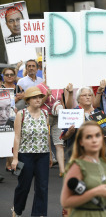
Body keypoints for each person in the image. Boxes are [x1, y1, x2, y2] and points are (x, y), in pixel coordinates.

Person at [60, 121, 106, 217]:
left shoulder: (105, 164)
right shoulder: (77, 166)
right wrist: (94, 192)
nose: (94, 140)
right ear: (81, 142)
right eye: (89, 137)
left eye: (97, 135)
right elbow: (66, 202)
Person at [11, 86, 52, 217]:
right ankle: (17, 209)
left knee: (42, 187)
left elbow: (47, 136)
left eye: (40, 97)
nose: (38, 99)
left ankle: (39, 213)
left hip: (43, 155)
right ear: (28, 100)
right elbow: (17, 137)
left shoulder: (45, 113)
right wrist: (15, 158)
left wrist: (50, 155)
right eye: (34, 97)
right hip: (25, 155)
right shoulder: (21, 114)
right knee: (24, 186)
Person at [37, 68, 66, 177]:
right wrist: (46, 96)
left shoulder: (59, 87)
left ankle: (62, 170)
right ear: (44, 72)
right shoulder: (39, 87)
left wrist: (63, 111)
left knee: (59, 143)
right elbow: (37, 103)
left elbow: (62, 102)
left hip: (57, 116)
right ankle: (49, 158)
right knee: (46, 141)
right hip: (45, 116)